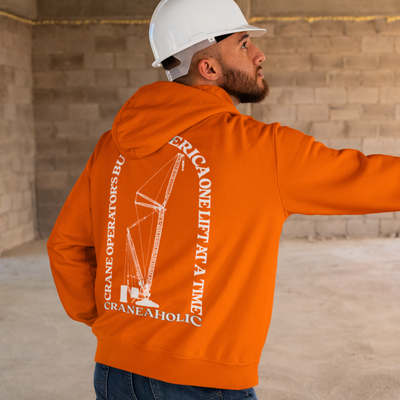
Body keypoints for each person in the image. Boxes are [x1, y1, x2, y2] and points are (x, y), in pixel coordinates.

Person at [47, 0, 400, 399]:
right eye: (245, 43)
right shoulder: (263, 150)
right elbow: (377, 179)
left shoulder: (111, 147)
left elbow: (65, 246)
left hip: (114, 373)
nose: (259, 54)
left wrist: (111, 326)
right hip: (203, 383)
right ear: (209, 68)